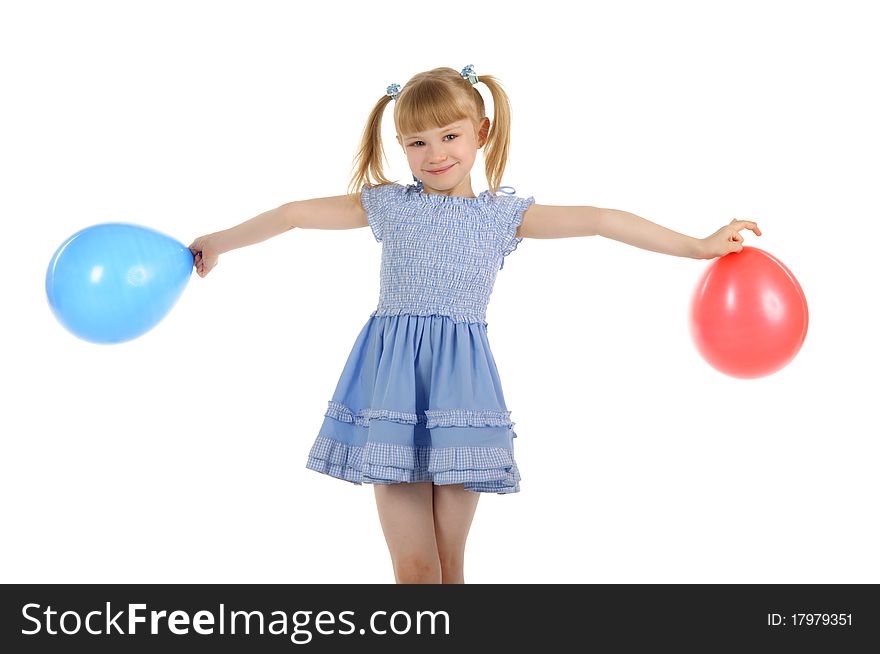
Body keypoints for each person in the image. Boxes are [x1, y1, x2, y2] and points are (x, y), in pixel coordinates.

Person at [188, 64, 761, 584]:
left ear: (480, 132)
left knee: (450, 563)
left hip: (460, 396)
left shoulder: (501, 217)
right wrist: (220, 242)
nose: (435, 153)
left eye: (449, 136)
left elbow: (602, 219)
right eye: (417, 142)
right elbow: (293, 215)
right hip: (393, 393)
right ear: (401, 148)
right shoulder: (389, 205)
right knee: (415, 570)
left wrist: (696, 247)